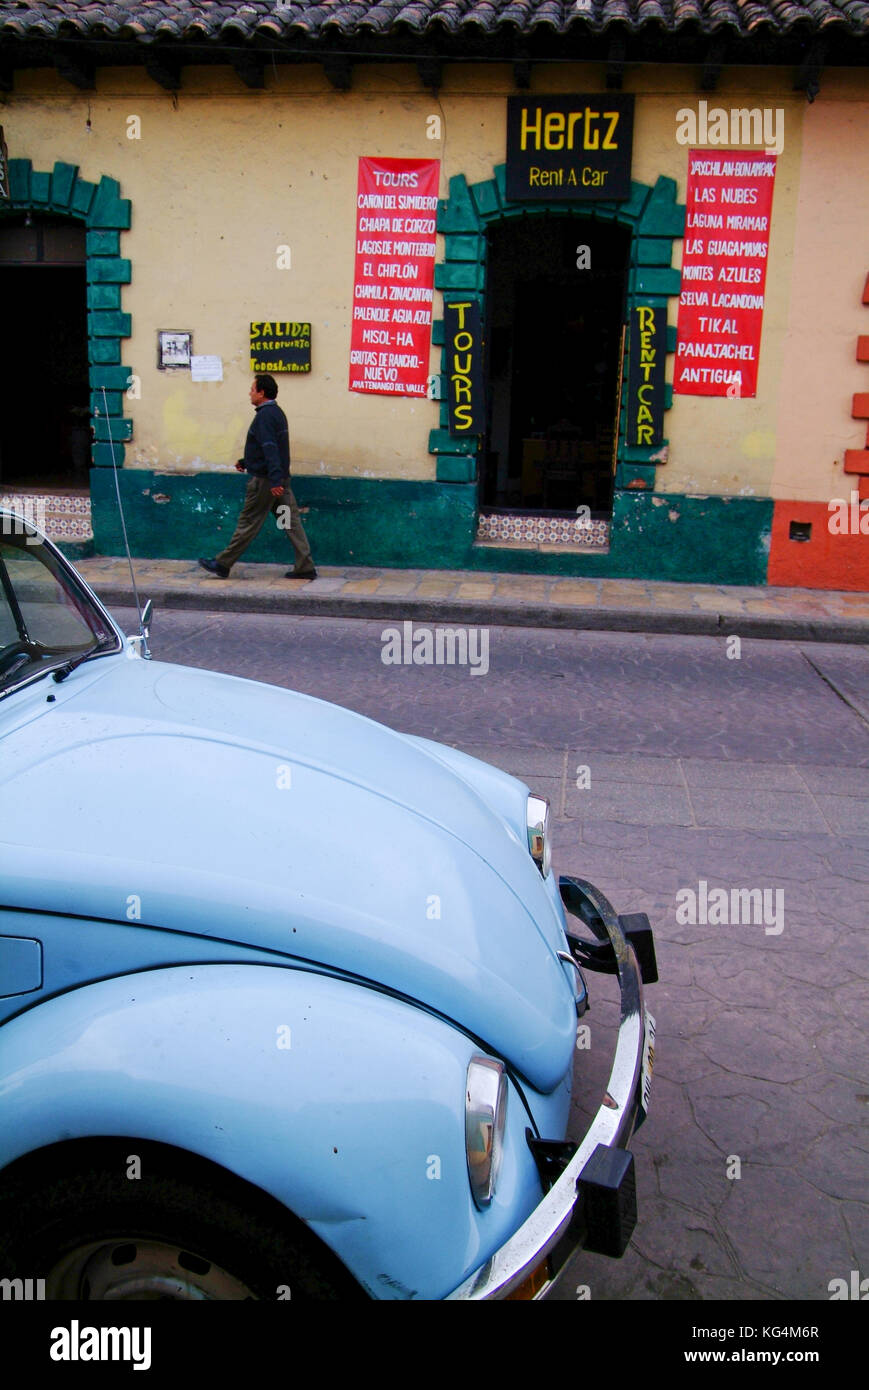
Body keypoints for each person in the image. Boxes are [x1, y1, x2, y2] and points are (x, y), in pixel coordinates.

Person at [198, 374, 317, 580]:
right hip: (277, 480)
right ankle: (305, 565)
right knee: (289, 522)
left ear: (262, 393)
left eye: (252, 389)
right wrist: (247, 462)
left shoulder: (264, 416)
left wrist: (273, 480)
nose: (250, 393)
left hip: (266, 482)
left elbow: (270, 448)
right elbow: (270, 448)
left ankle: (223, 563)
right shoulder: (277, 413)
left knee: (249, 521)